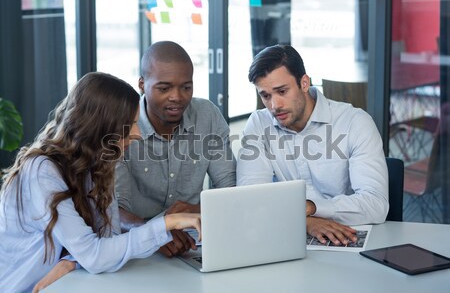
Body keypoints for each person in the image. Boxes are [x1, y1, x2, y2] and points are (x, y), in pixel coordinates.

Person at [0, 72, 201, 293]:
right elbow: (95, 255)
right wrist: (167, 222)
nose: (137, 134)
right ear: (101, 127)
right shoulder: (41, 171)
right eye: (129, 125)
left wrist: (73, 262)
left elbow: (108, 241)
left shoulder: (97, 164)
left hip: (67, 284)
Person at [237, 45, 388, 245]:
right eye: (265, 96)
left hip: (349, 235)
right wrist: (305, 222)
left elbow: (376, 204)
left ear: (304, 83)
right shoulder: (259, 123)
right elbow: (251, 200)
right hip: (286, 235)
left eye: (282, 91)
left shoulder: (354, 122)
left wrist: (310, 208)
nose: (274, 105)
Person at [115, 41, 235, 257]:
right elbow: (114, 211)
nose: (177, 97)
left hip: (195, 241)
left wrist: (195, 211)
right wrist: (154, 233)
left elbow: (231, 191)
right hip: (137, 243)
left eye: (186, 87)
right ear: (142, 84)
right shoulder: (122, 125)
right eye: (164, 88)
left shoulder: (207, 115)